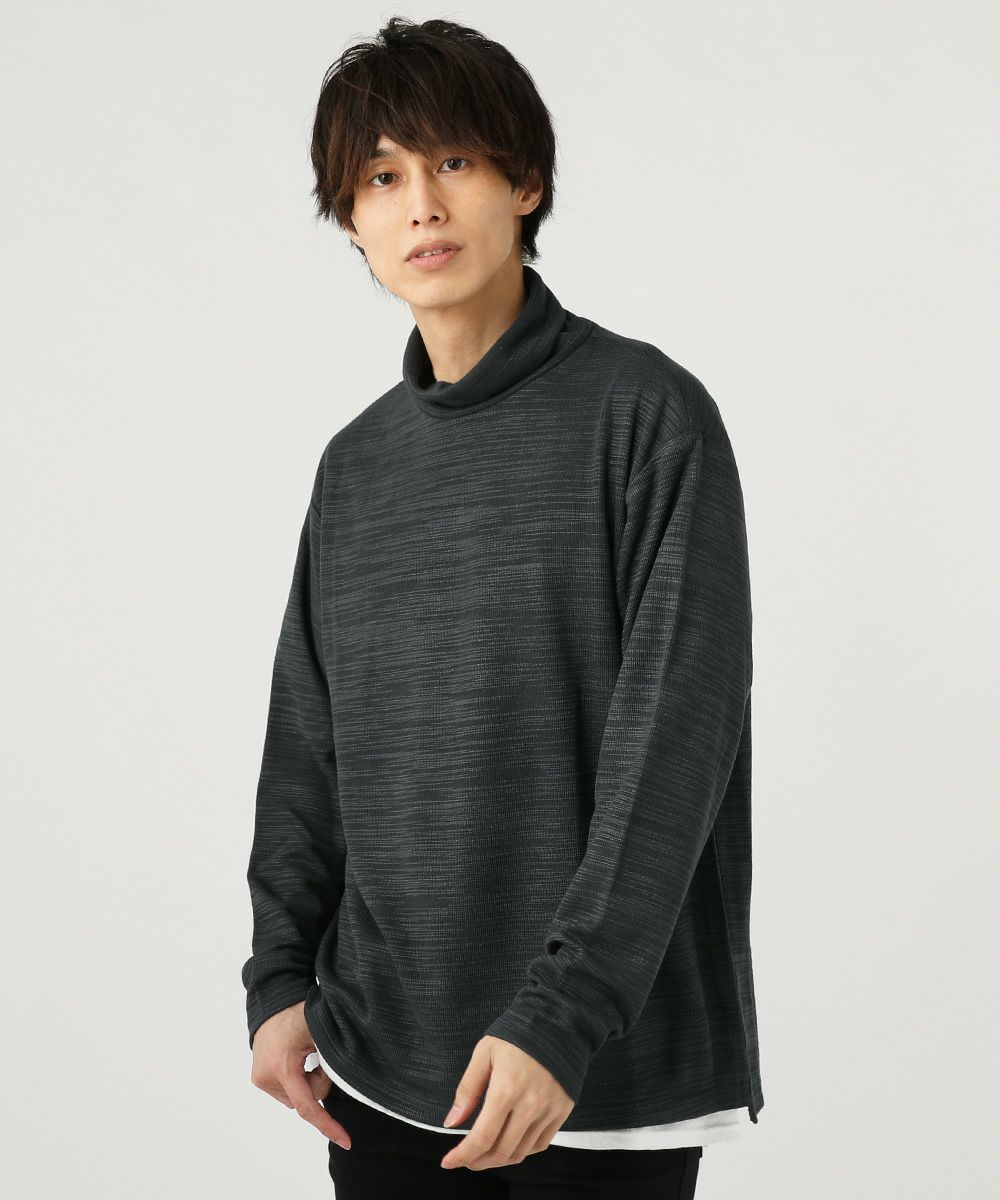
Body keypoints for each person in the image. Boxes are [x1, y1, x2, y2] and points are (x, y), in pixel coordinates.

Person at [241, 16, 762, 1198]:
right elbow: (309, 744)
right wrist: (277, 978)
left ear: (524, 181)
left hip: (588, 1076)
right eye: (381, 178)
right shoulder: (355, 466)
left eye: (453, 161)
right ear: (350, 218)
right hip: (375, 1063)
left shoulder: (647, 416)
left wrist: (560, 1016)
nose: (421, 205)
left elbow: (674, 747)